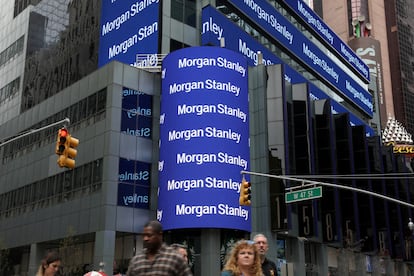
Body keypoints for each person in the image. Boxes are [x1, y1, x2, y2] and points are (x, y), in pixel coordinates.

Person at [126, 220, 192, 276]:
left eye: (149, 235)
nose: (145, 238)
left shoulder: (174, 258)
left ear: (160, 235)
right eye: (144, 235)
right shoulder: (137, 260)